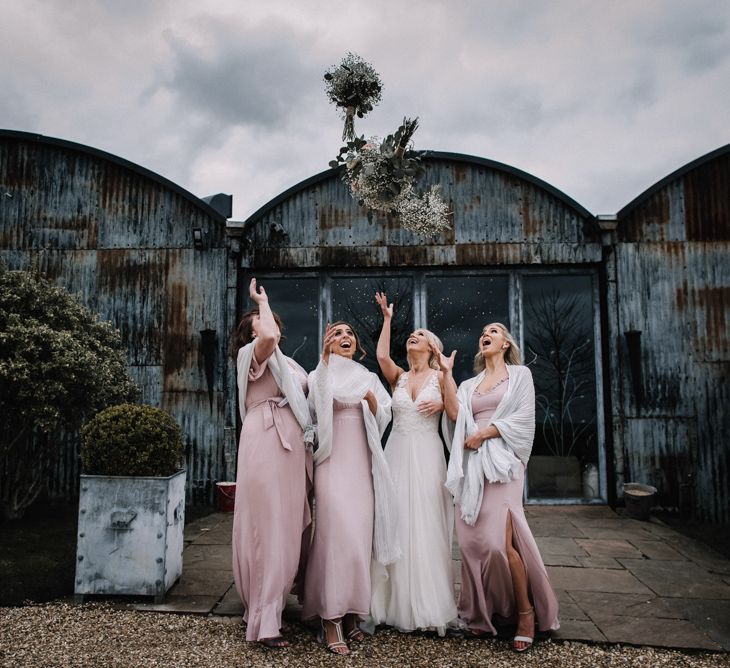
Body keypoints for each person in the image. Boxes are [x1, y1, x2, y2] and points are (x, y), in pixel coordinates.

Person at [439, 322, 559, 652]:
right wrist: (446, 375)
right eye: (483, 331)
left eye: (494, 330)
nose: (486, 333)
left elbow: (523, 419)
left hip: (503, 466)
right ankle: (481, 613)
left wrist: (485, 433)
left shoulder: (520, 376)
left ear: (505, 342)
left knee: (499, 545)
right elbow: (454, 416)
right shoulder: (469, 383)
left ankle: (525, 612)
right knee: (472, 544)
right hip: (473, 467)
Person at [302, 321, 399, 655]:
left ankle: (354, 612)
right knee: (333, 535)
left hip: (360, 462)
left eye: (350, 335)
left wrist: (371, 400)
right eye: (338, 333)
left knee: (358, 538)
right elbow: (313, 410)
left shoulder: (368, 377)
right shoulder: (318, 374)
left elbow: (385, 415)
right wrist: (324, 361)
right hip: (331, 462)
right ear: (328, 342)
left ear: (357, 346)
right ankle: (330, 617)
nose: (345, 337)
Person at [368, 292, 459, 635]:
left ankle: (428, 604)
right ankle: (393, 603)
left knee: (427, 522)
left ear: (432, 347)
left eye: (419, 335)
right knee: (397, 521)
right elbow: (380, 354)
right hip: (398, 453)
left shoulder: (441, 376)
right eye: (411, 335)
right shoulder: (399, 378)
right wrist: (388, 319)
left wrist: (443, 396)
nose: (413, 337)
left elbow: (455, 413)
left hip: (428, 454)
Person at [231, 278, 314, 649]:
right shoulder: (251, 353)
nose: (269, 329)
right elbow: (267, 337)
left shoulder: (289, 363)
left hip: (292, 446)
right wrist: (260, 301)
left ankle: (270, 607)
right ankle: (265, 621)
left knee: (288, 525)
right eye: (261, 323)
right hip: (266, 439)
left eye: (271, 320)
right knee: (269, 529)